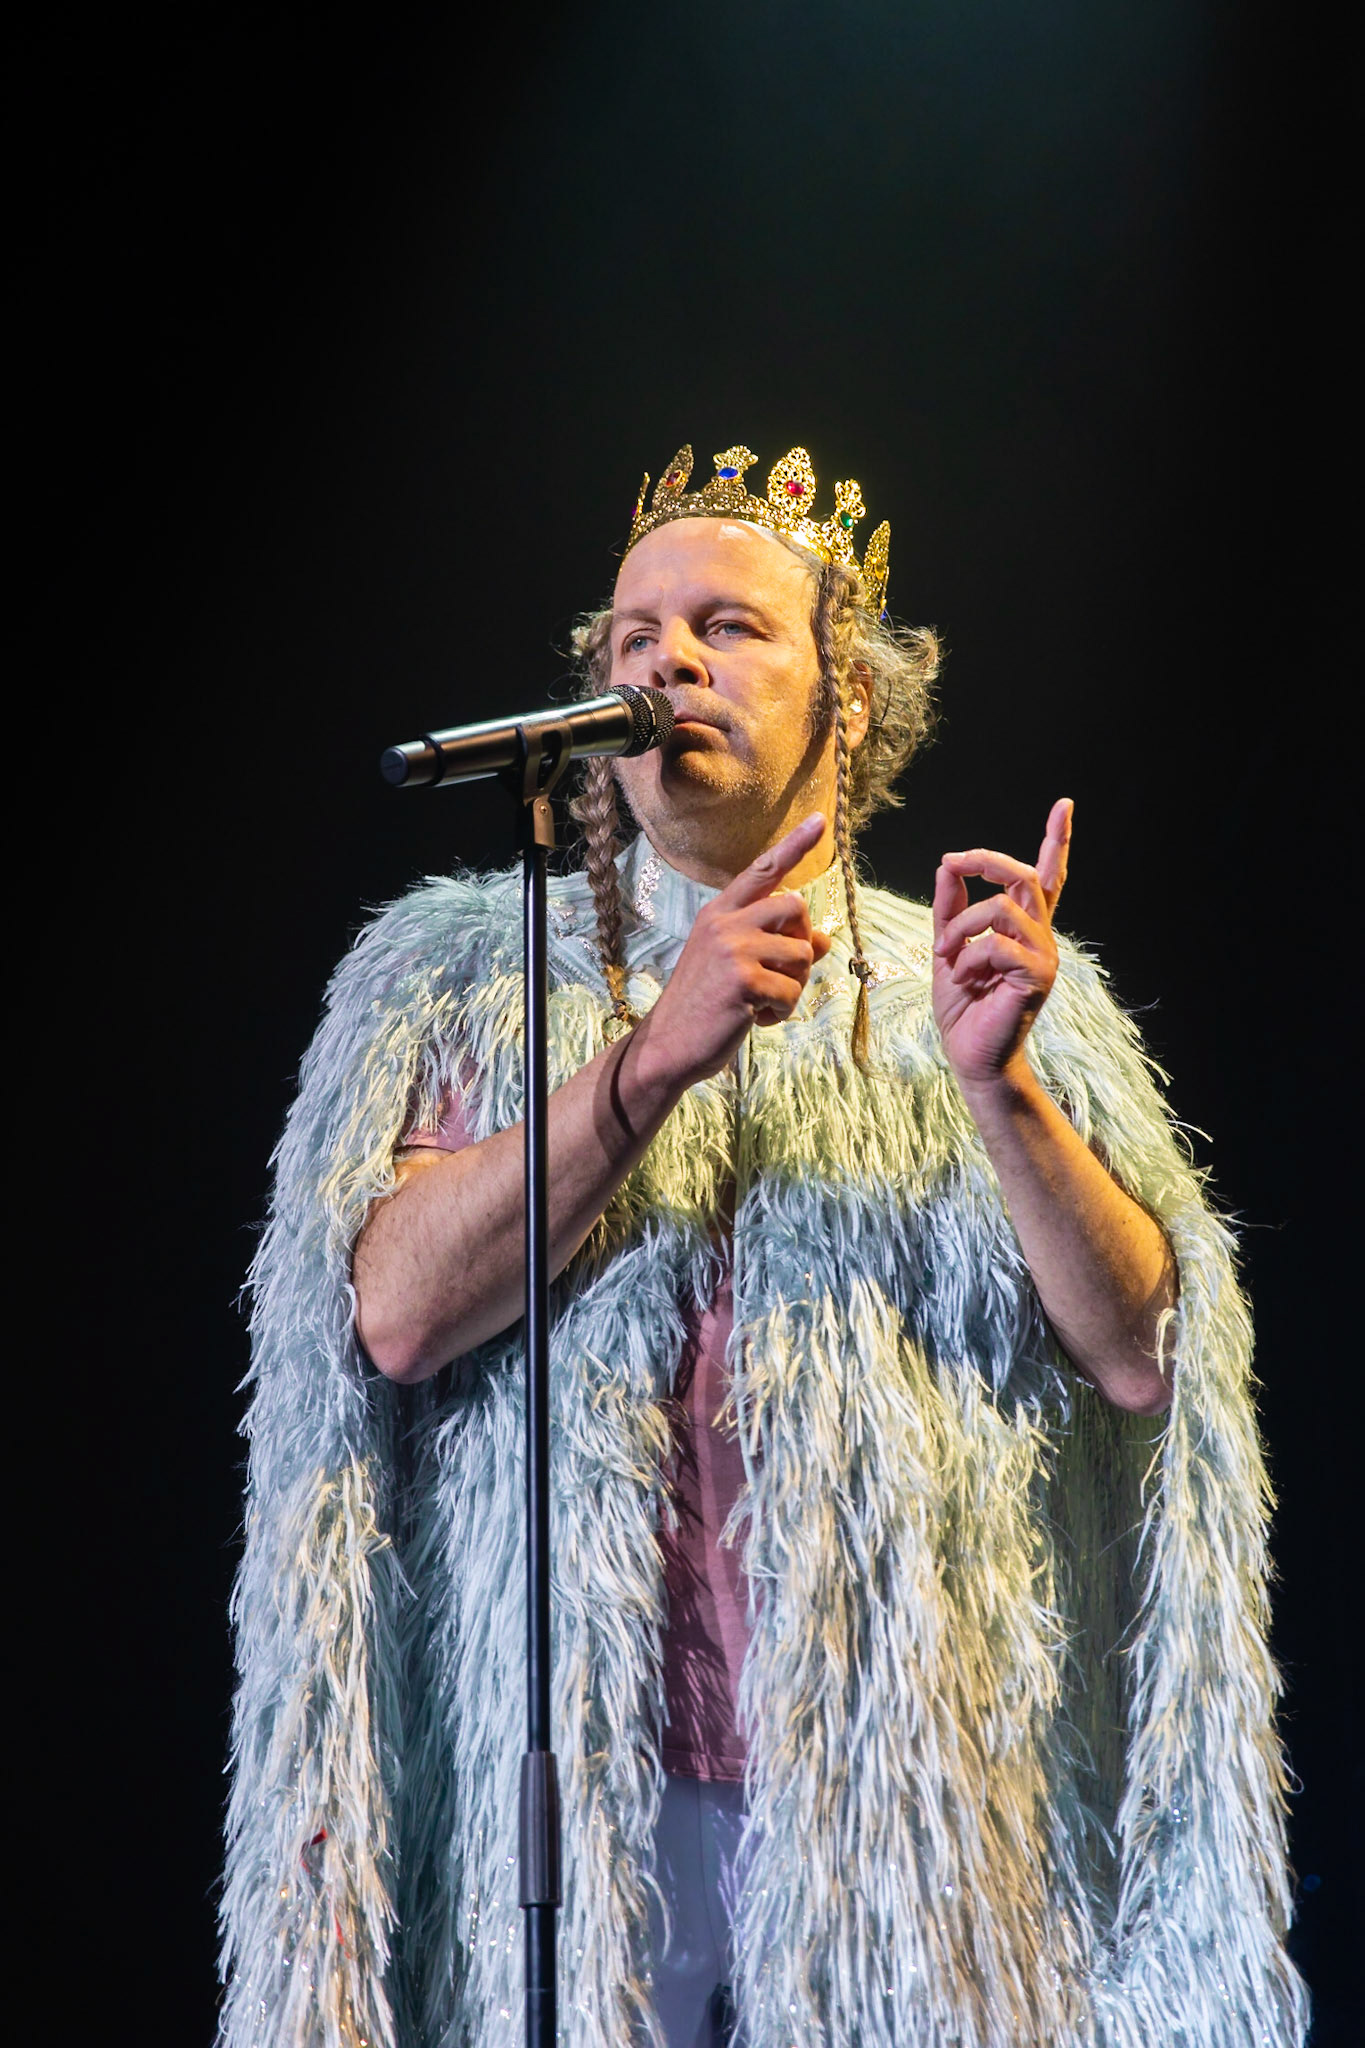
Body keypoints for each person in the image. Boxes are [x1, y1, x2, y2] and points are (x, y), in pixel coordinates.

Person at [219, 444, 1307, 2048]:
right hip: (585, 1792)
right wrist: (654, 1055)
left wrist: (999, 1087)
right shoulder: (459, 975)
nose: (660, 661)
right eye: (631, 638)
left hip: (898, 1791)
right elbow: (384, 1316)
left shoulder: (969, 977)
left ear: (846, 701)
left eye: (724, 626)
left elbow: (1144, 1356)